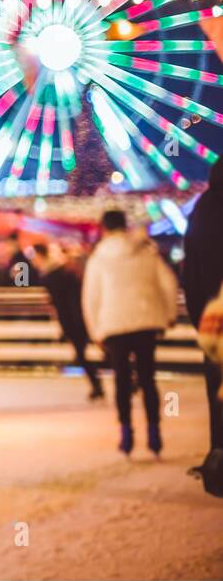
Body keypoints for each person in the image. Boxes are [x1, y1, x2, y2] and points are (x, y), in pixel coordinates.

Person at [81, 210, 179, 457]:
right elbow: (169, 283)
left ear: (103, 228)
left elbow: (91, 297)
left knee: (121, 380)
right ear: (125, 226)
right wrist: (168, 315)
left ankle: (126, 433)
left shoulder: (99, 258)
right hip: (146, 322)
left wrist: (95, 331)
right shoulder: (146, 252)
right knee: (148, 378)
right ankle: (154, 432)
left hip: (114, 325)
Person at [180, 159, 223, 468]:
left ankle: (219, 456)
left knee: (218, 395)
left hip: (214, 323)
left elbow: (190, 276)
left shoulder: (201, 212)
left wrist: (201, 322)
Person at [34, 241, 103, 400]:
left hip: (76, 319)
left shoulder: (53, 274)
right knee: (93, 351)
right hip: (80, 316)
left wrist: (68, 324)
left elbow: (61, 302)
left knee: (85, 353)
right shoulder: (59, 271)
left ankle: (101, 384)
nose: (33, 261)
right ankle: (101, 384)